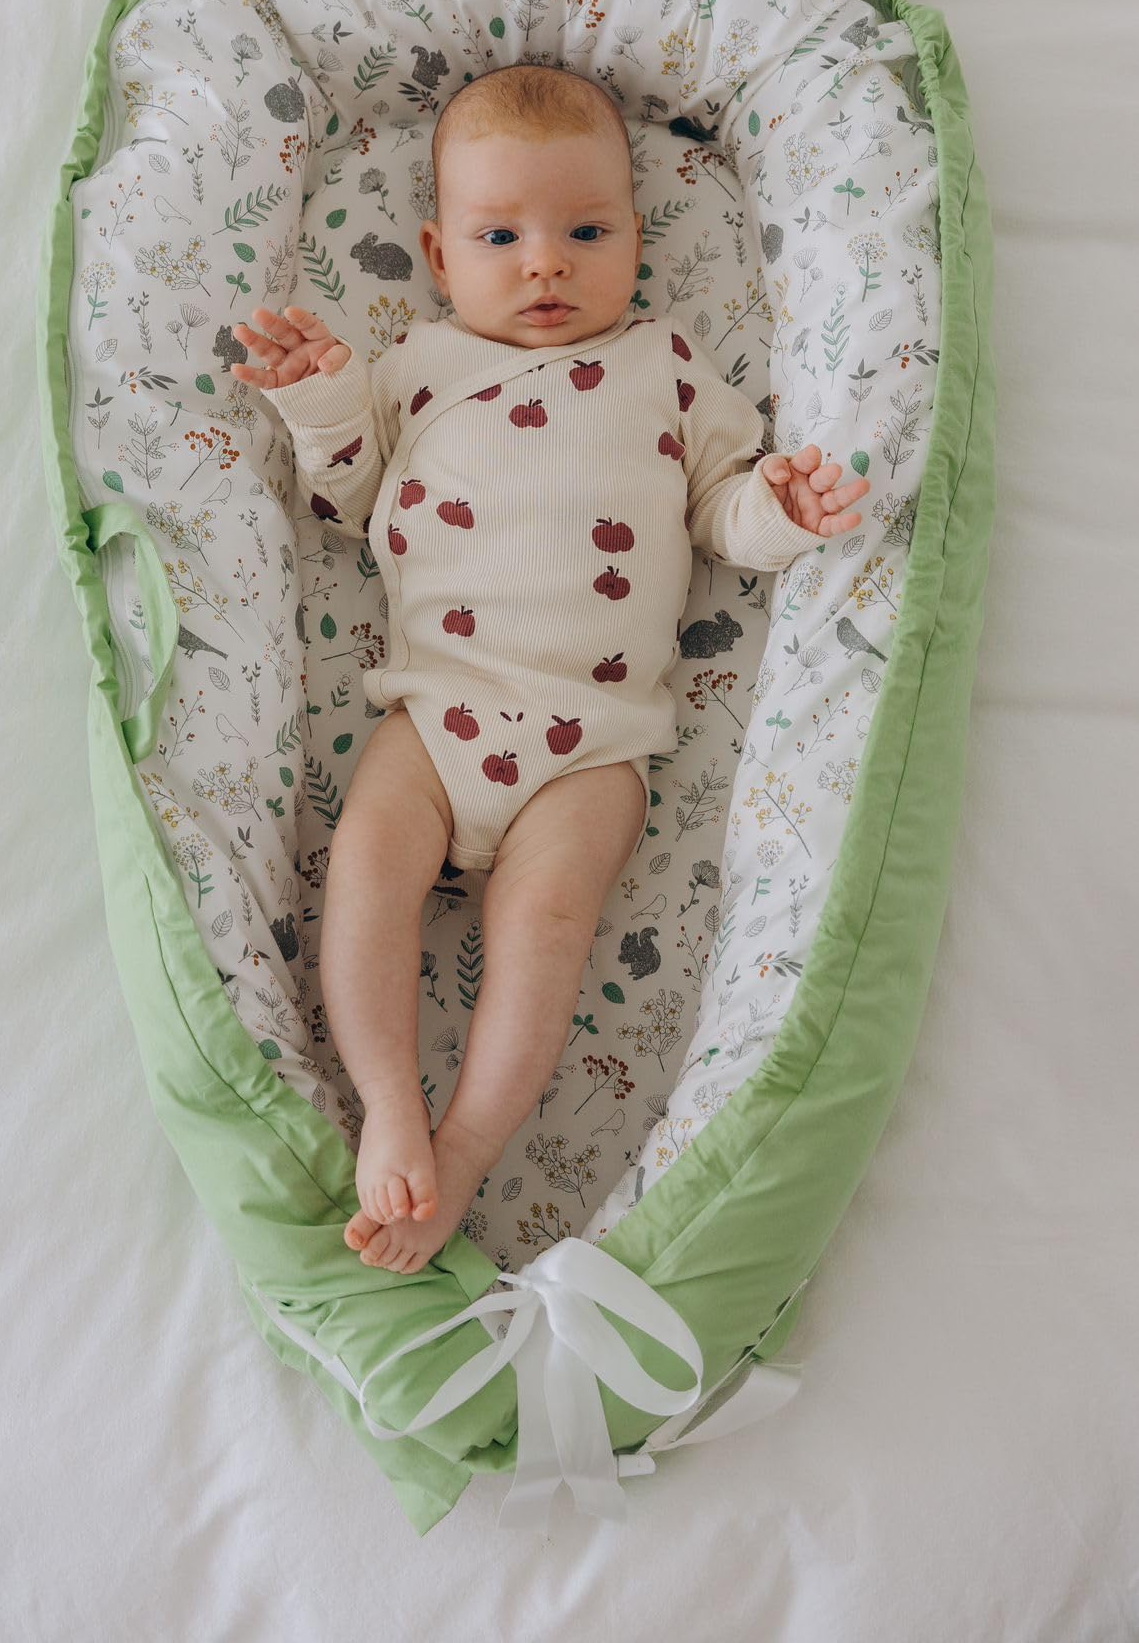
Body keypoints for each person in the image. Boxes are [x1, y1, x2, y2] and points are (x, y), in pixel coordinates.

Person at [229, 65, 869, 1275]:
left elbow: (723, 512)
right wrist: (319, 392)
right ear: (437, 252)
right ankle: (389, 1104)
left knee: (549, 924)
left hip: (594, 742)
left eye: (586, 232)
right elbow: (346, 491)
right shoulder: (414, 366)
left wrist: (781, 509)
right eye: (499, 237)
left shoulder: (666, 367)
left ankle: (467, 1145)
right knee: (365, 870)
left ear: (637, 237)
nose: (545, 266)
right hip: (437, 713)